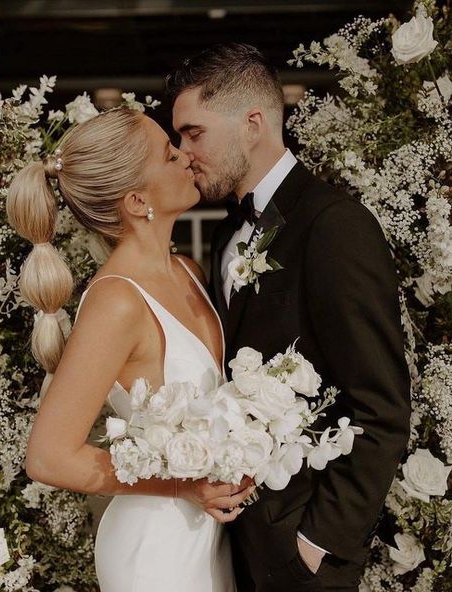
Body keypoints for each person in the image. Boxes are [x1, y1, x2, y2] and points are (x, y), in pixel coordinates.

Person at [167, 43, 411, 592]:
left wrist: (320, 543)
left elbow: (382, 404)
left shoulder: (335, 226)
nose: (183, 152)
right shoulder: (227, 235)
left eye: (194, 133)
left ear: (253, 122)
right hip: (234, 546)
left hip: (304, 551)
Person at [7, 107, 253, 592]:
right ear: (138, 199)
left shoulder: (188, 272)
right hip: (154, 548)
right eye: (168, 154)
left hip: (208, 535)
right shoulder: (116, 301)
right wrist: (181, 485)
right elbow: (49, 457)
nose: (185, 156)